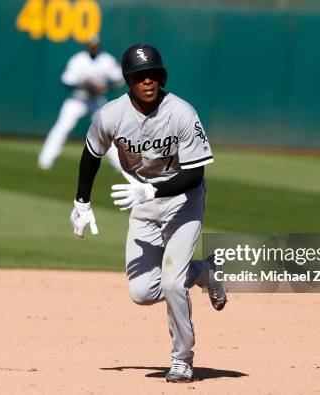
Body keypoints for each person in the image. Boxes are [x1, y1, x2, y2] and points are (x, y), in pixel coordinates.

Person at [69, 44, 227, 383]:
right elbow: (91, 153)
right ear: (128, 80)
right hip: (144, 205)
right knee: (142, 292)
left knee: (171, 283)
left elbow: (195, 173)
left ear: (163, 76)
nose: (148, 81)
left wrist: (151, 189)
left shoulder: (181, 113)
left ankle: (182, 358)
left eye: (154, 74)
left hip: (184, 202)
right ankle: (204, 272)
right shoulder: (112, 115)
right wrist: (81, 202)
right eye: (140, 76)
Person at [38, 36, 123, 171]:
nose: (93, 47)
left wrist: (107, 88)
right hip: (77, 99)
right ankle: (45, 159)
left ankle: (119, 164)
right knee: (63, 127)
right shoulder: (78, 60)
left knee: (107, 130)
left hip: (96, 100)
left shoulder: (106, 60)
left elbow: (118, 79)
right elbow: (66, 81)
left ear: (99, 45)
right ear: (87, 45)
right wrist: (83, 85)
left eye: (95, 45)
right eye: (91, 45)